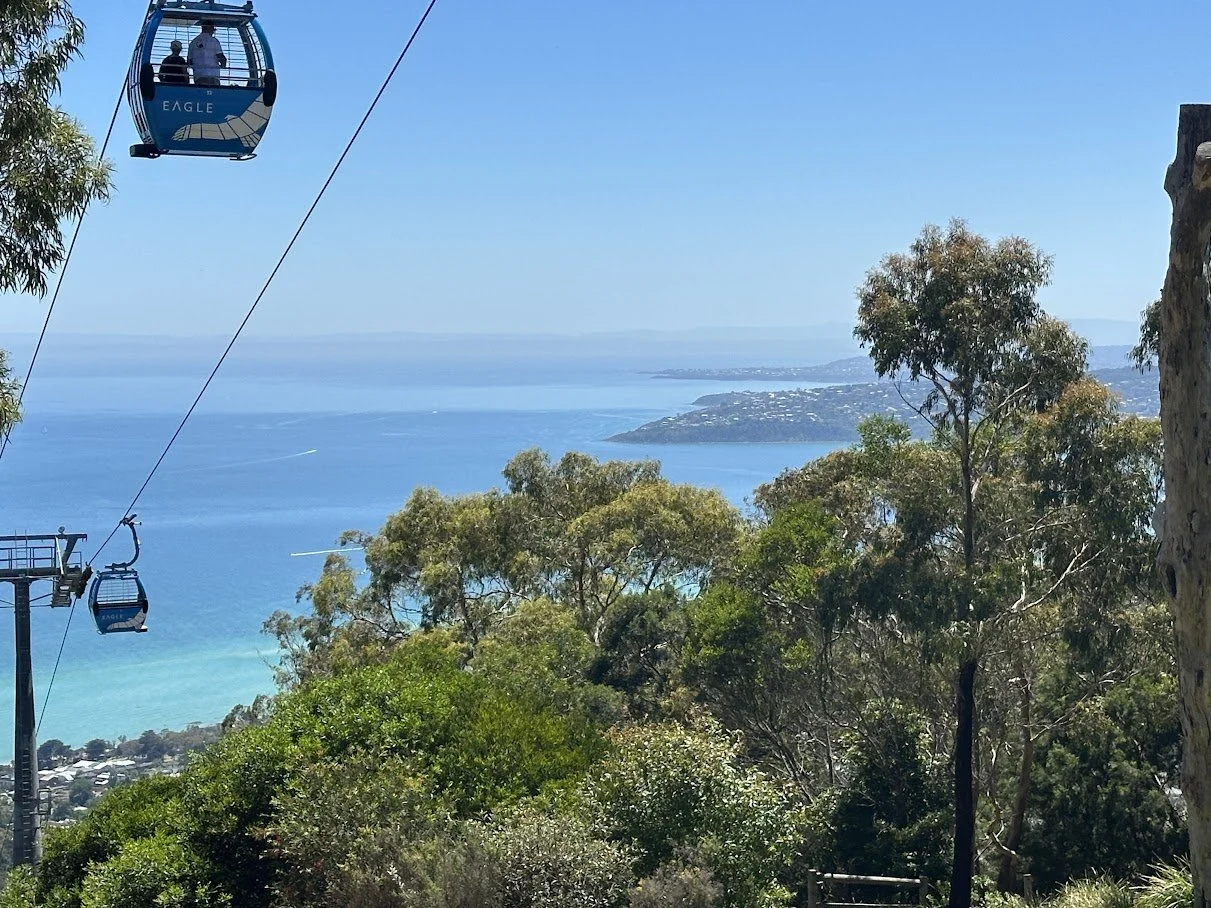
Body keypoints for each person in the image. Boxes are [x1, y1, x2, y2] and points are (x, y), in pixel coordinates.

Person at [187, 20, 227, 87]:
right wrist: (223, 65)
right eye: (213, 30)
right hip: (213, 75)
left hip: (198, 76)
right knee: (214, 95)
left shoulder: (193, 43)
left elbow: (189, 62)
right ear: (210, 28)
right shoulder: (213, 41)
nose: (213, 32)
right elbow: (220, 56)